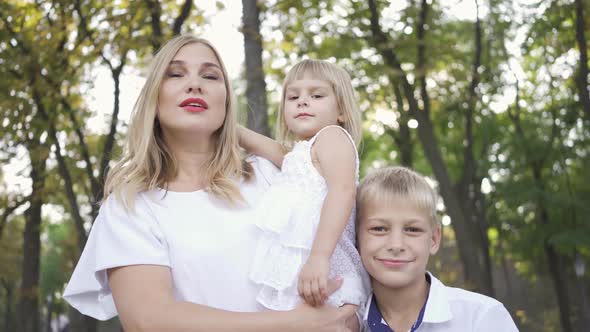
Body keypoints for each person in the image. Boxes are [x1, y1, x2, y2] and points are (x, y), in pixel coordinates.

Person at [62, 34, 358, 331]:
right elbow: (149, 320)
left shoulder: (275, 175)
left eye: (210, 76)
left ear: (226, 101)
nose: (195, 84)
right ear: (154, 98)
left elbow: (354, 249)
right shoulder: (129, 207)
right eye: (176, 74)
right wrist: (295, 324)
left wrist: (350, 319)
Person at [238, 59, 370, 312]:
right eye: (293, 96)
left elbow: (342, 192)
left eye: (317, 95)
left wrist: (319, 257)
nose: (302, 101)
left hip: (328, 274)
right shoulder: (302, 153)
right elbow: (263, 145)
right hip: (307, 281)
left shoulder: (333, 137)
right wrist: (227, 128)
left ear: (341, 111)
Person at [355, 166, 519, 331]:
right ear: (356, 236)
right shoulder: (341, 323)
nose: (396, 245)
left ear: (434, 239)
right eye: (379, 229)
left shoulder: (482, 318)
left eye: (413, 230)